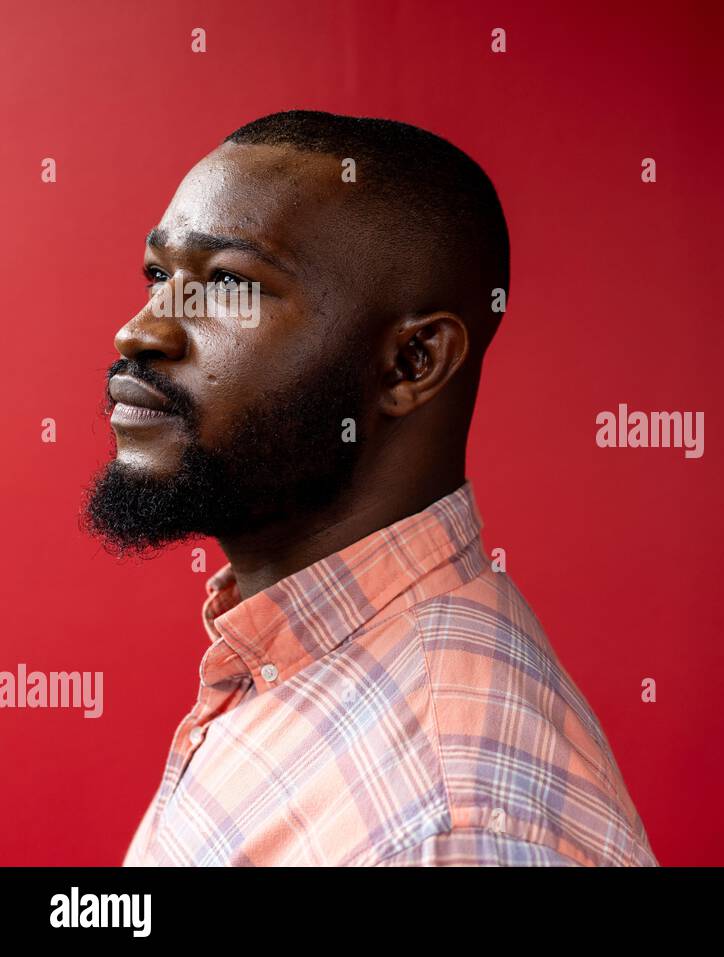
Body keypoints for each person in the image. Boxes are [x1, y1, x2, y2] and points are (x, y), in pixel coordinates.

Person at [82, 109, 657, 867]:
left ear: (413, 362)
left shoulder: (454, 826)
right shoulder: (286, 654)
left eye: (228, 284)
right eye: (160, 275)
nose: (142, 331)